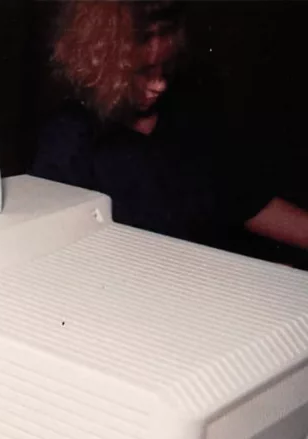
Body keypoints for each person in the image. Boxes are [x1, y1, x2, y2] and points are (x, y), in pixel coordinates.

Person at [30, 1, 308, 257]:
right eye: (143, 71)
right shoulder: (69, 141)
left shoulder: (185, 113)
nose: (159, 84)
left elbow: (244, 198)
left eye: (165, 67)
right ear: (101, 65)